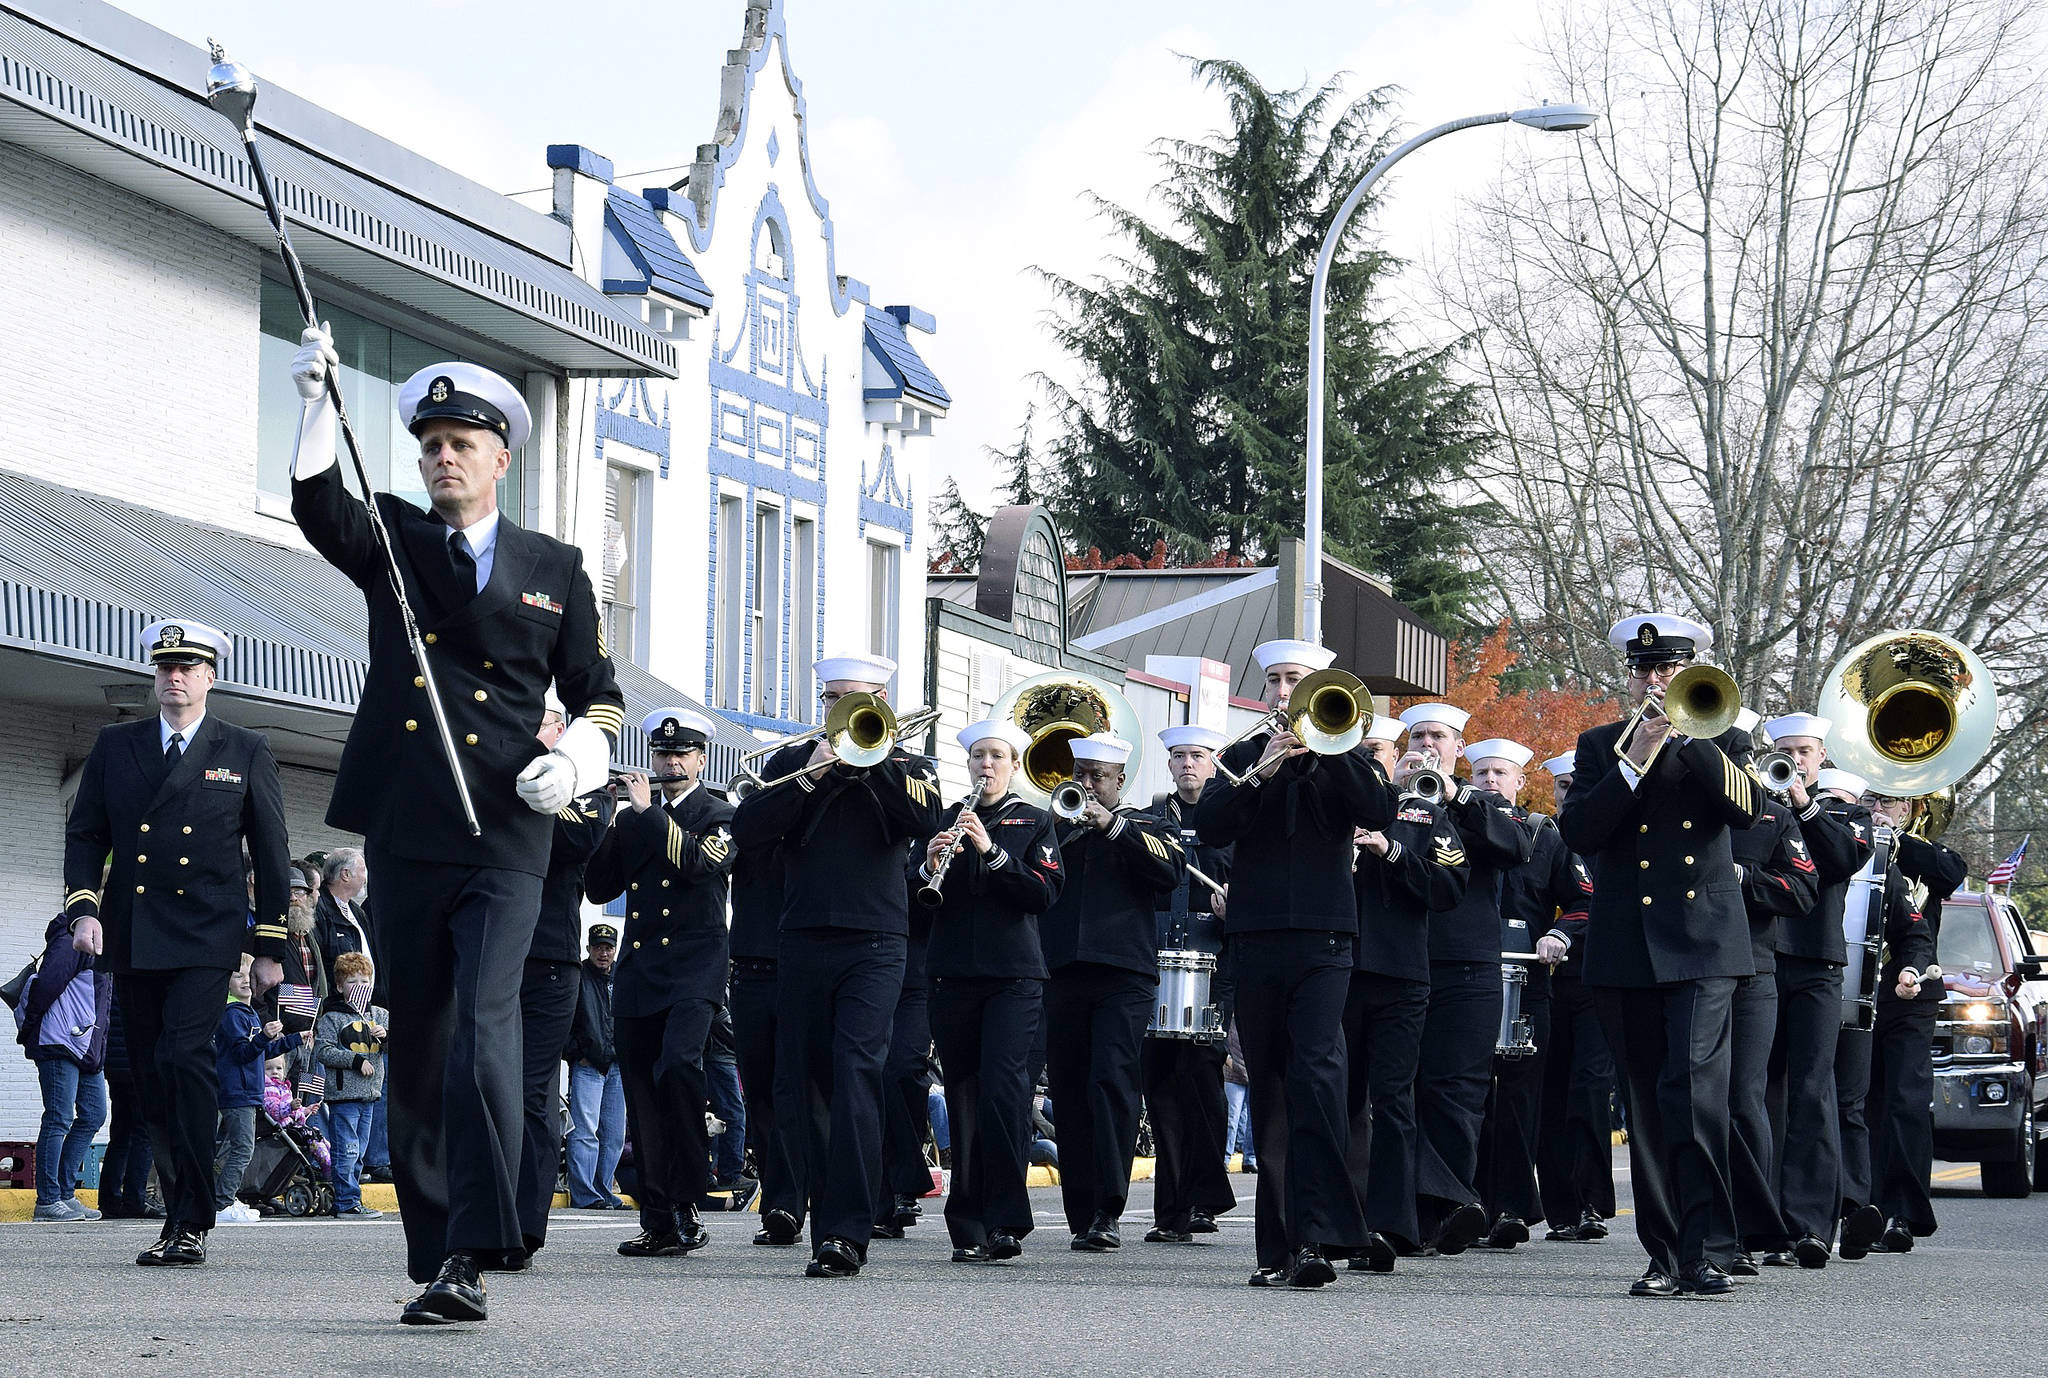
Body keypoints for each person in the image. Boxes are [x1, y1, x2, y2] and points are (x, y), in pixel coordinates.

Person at [289, 332, 625, 1323]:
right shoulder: (393, 538)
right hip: (407, 825)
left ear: (499, 458)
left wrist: (575, 765)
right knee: (424, 1045)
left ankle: (474, 1252)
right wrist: (315, 401)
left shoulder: (551, 566)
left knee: (484, 1027)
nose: (443, 454)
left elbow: (598, 693)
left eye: (461, 442)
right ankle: (435, 1252)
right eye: (430, 440)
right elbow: (319, 508)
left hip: (508, 833)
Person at [64, 618, 293, 1267]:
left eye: (187, 667)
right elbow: (85, 835)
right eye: (165, 667)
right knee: (152, 1072)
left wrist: (272, 943)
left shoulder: (243, 748)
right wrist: (84, 906)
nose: (174, 677)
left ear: (209, 677)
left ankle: (188, 1217)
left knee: (185, 1058)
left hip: (206, 934)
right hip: (133, 932)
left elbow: (272, 852)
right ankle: (182, 1202)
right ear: (154, 676)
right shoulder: (118, 745)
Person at [1556, 613, 1762, 1298]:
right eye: (1645, 670)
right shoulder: (1599, 745)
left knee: (1695, 1093)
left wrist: (1693, 736)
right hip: (1625, 949)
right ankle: (1664, 1252)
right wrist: (1634, 757)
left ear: (1689, 670)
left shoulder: (1727, 735)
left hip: (1702, 947)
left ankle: (1704, 1249)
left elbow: (1746, 807)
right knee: (1645, 1102)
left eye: (1668, 668)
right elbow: (1581, 829)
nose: (1655, 680)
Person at [730, 652, 946, 1279]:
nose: (841, 710)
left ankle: (845, 1233)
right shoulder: (792, 763)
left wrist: (871, 761)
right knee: (804, 1086)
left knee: (856, 1074)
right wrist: (813, 776)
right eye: (832, 698)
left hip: (876, 942)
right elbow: (748, 828)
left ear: (881, 700)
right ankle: (821, 1212)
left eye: (856, 698)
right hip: (799, 938)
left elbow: (926, 819)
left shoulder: (909, 766)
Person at [1193, 639, 1394, 1288]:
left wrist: (1330, 753)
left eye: (1296, 680)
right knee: (1271, 1084)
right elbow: (1212, 827)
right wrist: (1264, 774)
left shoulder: (1349, 752)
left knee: (1315, 1074)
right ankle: (1278, 1246)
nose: (1285, 691)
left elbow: (1378, 810)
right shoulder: (1242, 757)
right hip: (1254, 939)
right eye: (1276, 680)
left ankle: (1316, 1236)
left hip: (1325, 940)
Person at [583, 709, 736, 1259]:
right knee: (643, 1094)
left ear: (700, 758)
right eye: (662, 754)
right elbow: (600, 886)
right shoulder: (632, 818)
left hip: (696, 968)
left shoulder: (718, 812)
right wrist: (600, 814)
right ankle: (658, 1218)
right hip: (641, 972)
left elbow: (697, 864)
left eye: (681, 754)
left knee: (678, 1069)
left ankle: (689, 1201)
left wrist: (646, 814)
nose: (669, 763)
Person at [920, 718, 1064, 1265]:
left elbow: (1044, 892)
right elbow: (918, 899)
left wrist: (993, 854)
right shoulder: (943, 819)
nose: (986, 766)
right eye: (979, 756)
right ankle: (967, 1226)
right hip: (953, 974)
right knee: (962, 1095)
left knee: (1004, 1093)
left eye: (997, 757)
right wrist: (931, 866)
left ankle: (1006, 1220)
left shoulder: (1035, 820)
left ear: (1012, 764)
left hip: (1014, 978)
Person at [1397, 708, 1535, 1256]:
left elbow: (1515, 848)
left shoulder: (1483, 803)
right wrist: (1397, 790)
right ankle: (1415, 1207)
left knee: (1456, 1091)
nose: (1428, 744)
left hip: (1469, 963)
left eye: (1439, 737)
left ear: (1459, 747)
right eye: (1419, 736)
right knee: (1398, 1088)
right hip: (1402, 960)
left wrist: (1451, 797)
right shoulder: (1391, 793)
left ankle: (1451, 1206)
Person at [1039, 732, 1183, 1250]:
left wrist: (1112, 826)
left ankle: (1108, 1209)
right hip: (1063, 970)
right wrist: (1059, 825)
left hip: (1124, 973)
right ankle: (1081, 1210)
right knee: (1072, 1090)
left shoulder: (1149, 823)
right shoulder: (1056, 823)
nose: (1087, 785)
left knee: (1112, 1084)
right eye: (1080, 774)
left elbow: (1168, 873)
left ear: (1120, 780)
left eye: (1098, 776)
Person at [1345, 714, 1468, 1269]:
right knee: (1340, 1100)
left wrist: (1390, 852)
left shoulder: (1426, 815)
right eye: (1363, 750)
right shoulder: (1338, 804)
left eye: (1381, 751)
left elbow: (1448, 887)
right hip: (1338, 969)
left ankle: (1393, 1228)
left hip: (1400, 975)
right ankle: (1339, 1221)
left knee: (1393, 1102)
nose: (1374, 760)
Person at [1753, 713, 1873, 1269]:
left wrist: (1803, 801)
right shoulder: (1754, 802)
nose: (1794, 759)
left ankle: (1809, 1225)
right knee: (1755, 1090)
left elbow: (1844, 859)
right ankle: (1760, 1218)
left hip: (1817, 966)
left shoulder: (1845, 813)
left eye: (1804, 750)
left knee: (1810, 1087)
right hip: (1760, 958)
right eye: (1784, 750)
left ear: (1821, 755)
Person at [1470, 737, 1588, 1251]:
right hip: (1466, 981)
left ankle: (1514, 1208)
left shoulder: (1546, 836)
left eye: (1501, 773)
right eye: (1481, 773)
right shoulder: (1452, 825)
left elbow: (1585, 902)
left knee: (1520, 1099)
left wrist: (1559, 934)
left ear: (1521, 783)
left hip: (1528, 984)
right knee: (1466, 1098)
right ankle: (1465, 1205)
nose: (1490, 781)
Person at [514, 695, 614, 1258]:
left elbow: (575, 837)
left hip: (549, 959)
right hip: (495, 949)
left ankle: (525, 1223)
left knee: (533, 1089)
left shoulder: (589, 790)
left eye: (544, 724)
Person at [1721, 721, 1817, 1269]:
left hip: (1753, 973)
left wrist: (1742, 877)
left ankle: (1747, 1228)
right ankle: (1704, 1228)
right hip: (1688, 970)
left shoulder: (1773, 816)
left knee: (1743, 1098)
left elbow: (1801, 889)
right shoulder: (1675, 814)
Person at [1140, 724, 1238, 1244]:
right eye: (1178, 756)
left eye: (1197, 755)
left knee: (1203, 1086)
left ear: (1214, 760)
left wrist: (1235, 907)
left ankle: (1203, 1200)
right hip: (1157, 964)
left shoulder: (1232, 819)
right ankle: (1171, 1208)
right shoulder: (1153, 820)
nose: (1186, 765)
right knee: (1161, 1086)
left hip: (1214, 966)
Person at [1864, 791, 1965, 1251]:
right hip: (1852, 988)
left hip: (1910, 990)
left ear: (1911, 809)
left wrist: (1894, 841)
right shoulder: (1848, 839)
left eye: (1888, 801)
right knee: (1857, 1101)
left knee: (1904, 1100)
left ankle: (1903, 1214)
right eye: (1869, 799)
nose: (1877, 807)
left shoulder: (1923, 854)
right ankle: (1860, 1207)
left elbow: (1953, 873)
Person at [1532, 753, 1616, 1241]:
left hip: (1596, 978)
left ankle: (1591, 1204)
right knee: (1551, 1091)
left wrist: (1564, 932)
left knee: (1588, 1088)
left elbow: (1595, 903)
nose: (1566, 794)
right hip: (1547, 979)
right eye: (1561, 786)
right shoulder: (1546, 836)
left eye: (1574, 784)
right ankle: (1560, 1206)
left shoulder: (1609, 834)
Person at [726, 837, 800, 1243]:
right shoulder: (749, 824)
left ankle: (788, 1202)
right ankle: (777, 1202)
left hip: (795, 962)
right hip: (749, 967)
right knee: (759, 1096)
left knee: (790, 1092)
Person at [21, 912, 114, 1221]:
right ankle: (48, 1200)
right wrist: (34, 1026)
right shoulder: (71, 936)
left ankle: (63, 1192)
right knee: (59, 1117)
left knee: (94, 1114)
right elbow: (47, 983)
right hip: (60, 1040)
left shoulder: (103, 942)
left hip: (86, 1046)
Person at [215, 959, 299, 1224]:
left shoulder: (249, 1012)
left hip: (249, 1091)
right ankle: (222, 1201)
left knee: (235, 1149)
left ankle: (223, 1196)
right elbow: (242, 1052)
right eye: (236, 975)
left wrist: (295, 1038)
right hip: (236, 1091)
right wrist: (263, 1036)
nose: (243, 980)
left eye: (247, 975)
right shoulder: (231, 1014)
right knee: (242, 1149)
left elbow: (263, 1053)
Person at [315, 951, 390, 1220]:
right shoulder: (332, 1018)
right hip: (344, 1096)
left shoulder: (379, 1015)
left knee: (358, 1151)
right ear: (339, 986)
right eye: (352, 981)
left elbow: (396, 1047)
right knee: (346, 1149)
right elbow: (323, 1051)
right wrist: (354, 1060)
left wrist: (386, 1037)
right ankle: (346, 1202)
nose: (360, 986)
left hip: (370, 1095)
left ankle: (351, 1197)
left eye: (364, 980)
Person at [565, 925, 627, 1209]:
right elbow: (562, 1021)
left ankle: (603, 1191)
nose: (604, 952)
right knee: (584, 1132)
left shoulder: (623, 977)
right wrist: (577, 1053)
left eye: (608, 947)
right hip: (588, 1065)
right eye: (598, 947)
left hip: (617, 1067)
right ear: (588, 948)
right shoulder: (576, 976)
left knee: (613, 1135)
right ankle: (586, 1194)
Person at [98, 991, 156, 1220]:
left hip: (115, 1063)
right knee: (144, 1132)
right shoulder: (139, 982)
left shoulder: (111, 981)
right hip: (138, 1063)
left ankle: (109, 1199)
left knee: (121, 1134)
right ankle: (134, 1198)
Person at [312, 850, 372, 996]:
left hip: (364, 1007)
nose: (366, 877)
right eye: (363, 870)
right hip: (336, 1007)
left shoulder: (358, 912)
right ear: (345, 874)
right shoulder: (318, 909)